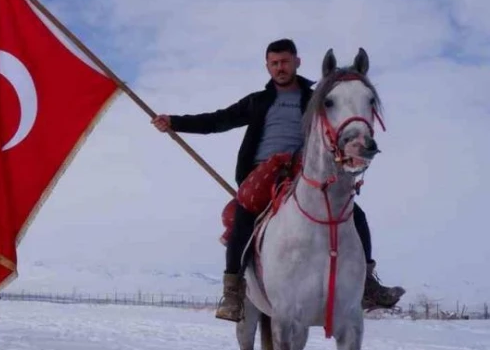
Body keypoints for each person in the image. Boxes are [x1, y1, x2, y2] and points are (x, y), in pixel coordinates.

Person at [151, 38, 404, 322]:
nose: (280, 68)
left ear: (297, 62)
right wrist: (175, 122)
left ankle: (367, 283)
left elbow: (341, 121)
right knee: (243, 216)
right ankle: (234, 290)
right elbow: (217, 120)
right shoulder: (257, 102)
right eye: (274, 63)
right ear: (268, 66)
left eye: (285, 61)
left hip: (306, 170)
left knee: (354, 213)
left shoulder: (317, 98)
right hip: (262, 173)